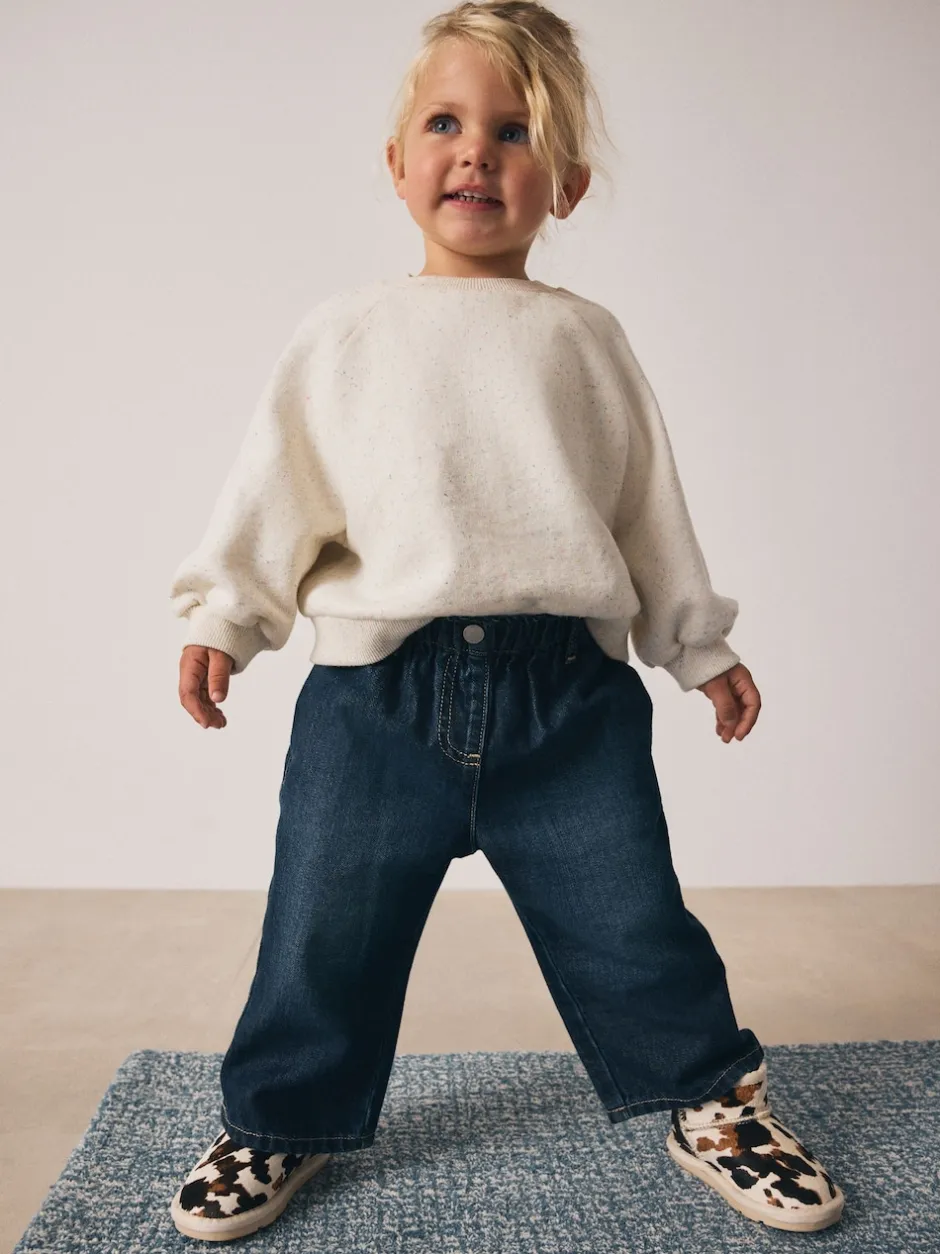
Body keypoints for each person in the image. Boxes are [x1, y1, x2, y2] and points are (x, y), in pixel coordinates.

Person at [167, 1, 845, 1240]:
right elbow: (278, 496)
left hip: (567, 699)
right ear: (396, 163)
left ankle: (710, 1100)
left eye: (515, 131)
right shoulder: (346, 334)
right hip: (376, 698)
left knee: (632, 919)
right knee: (320, 926)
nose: (475, 151)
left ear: (566, 185)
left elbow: (645, 511)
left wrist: (698, 646)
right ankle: (278, 1117)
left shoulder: (583, 338)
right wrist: (226, 616)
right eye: (444, 124)